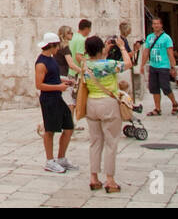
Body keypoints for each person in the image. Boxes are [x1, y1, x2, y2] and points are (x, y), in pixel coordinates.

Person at [82, 34, 126, 191]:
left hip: (91, 104)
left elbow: (97, 63)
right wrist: (121, 47)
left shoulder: (85, 65)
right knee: (111, 142)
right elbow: (127, 63)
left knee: (95, 141)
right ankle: (110, 179)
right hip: (108, 103)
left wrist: (103, 51)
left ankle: (94, 177)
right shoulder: (110, 64)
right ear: (101, 48)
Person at [36, 33, 75, 173]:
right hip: (49, 99)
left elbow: (53, 77)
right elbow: (39, 85)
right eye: (57, 45)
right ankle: (49, 161)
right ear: (51, 45)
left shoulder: (51, 59)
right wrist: (59, 87)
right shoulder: (41, 63)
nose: (58, 48)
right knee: (50, 130)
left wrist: (65, 81)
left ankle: (61, 158)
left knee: (69, 127)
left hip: (58, 98)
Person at [140, 16, 178, 116]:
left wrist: (173, 67)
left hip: (163, 66)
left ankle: (174, 103)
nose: (156, 25)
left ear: (161, 25)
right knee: (154, 87)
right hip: (153, 65)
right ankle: (157, 108)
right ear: (152, 25)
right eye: (154, 24)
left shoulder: (166, 38)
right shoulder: (149, 37)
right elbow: (146, 51)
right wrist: (142, 65)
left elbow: (170, 53)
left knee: (165, 87)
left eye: (158, 23)